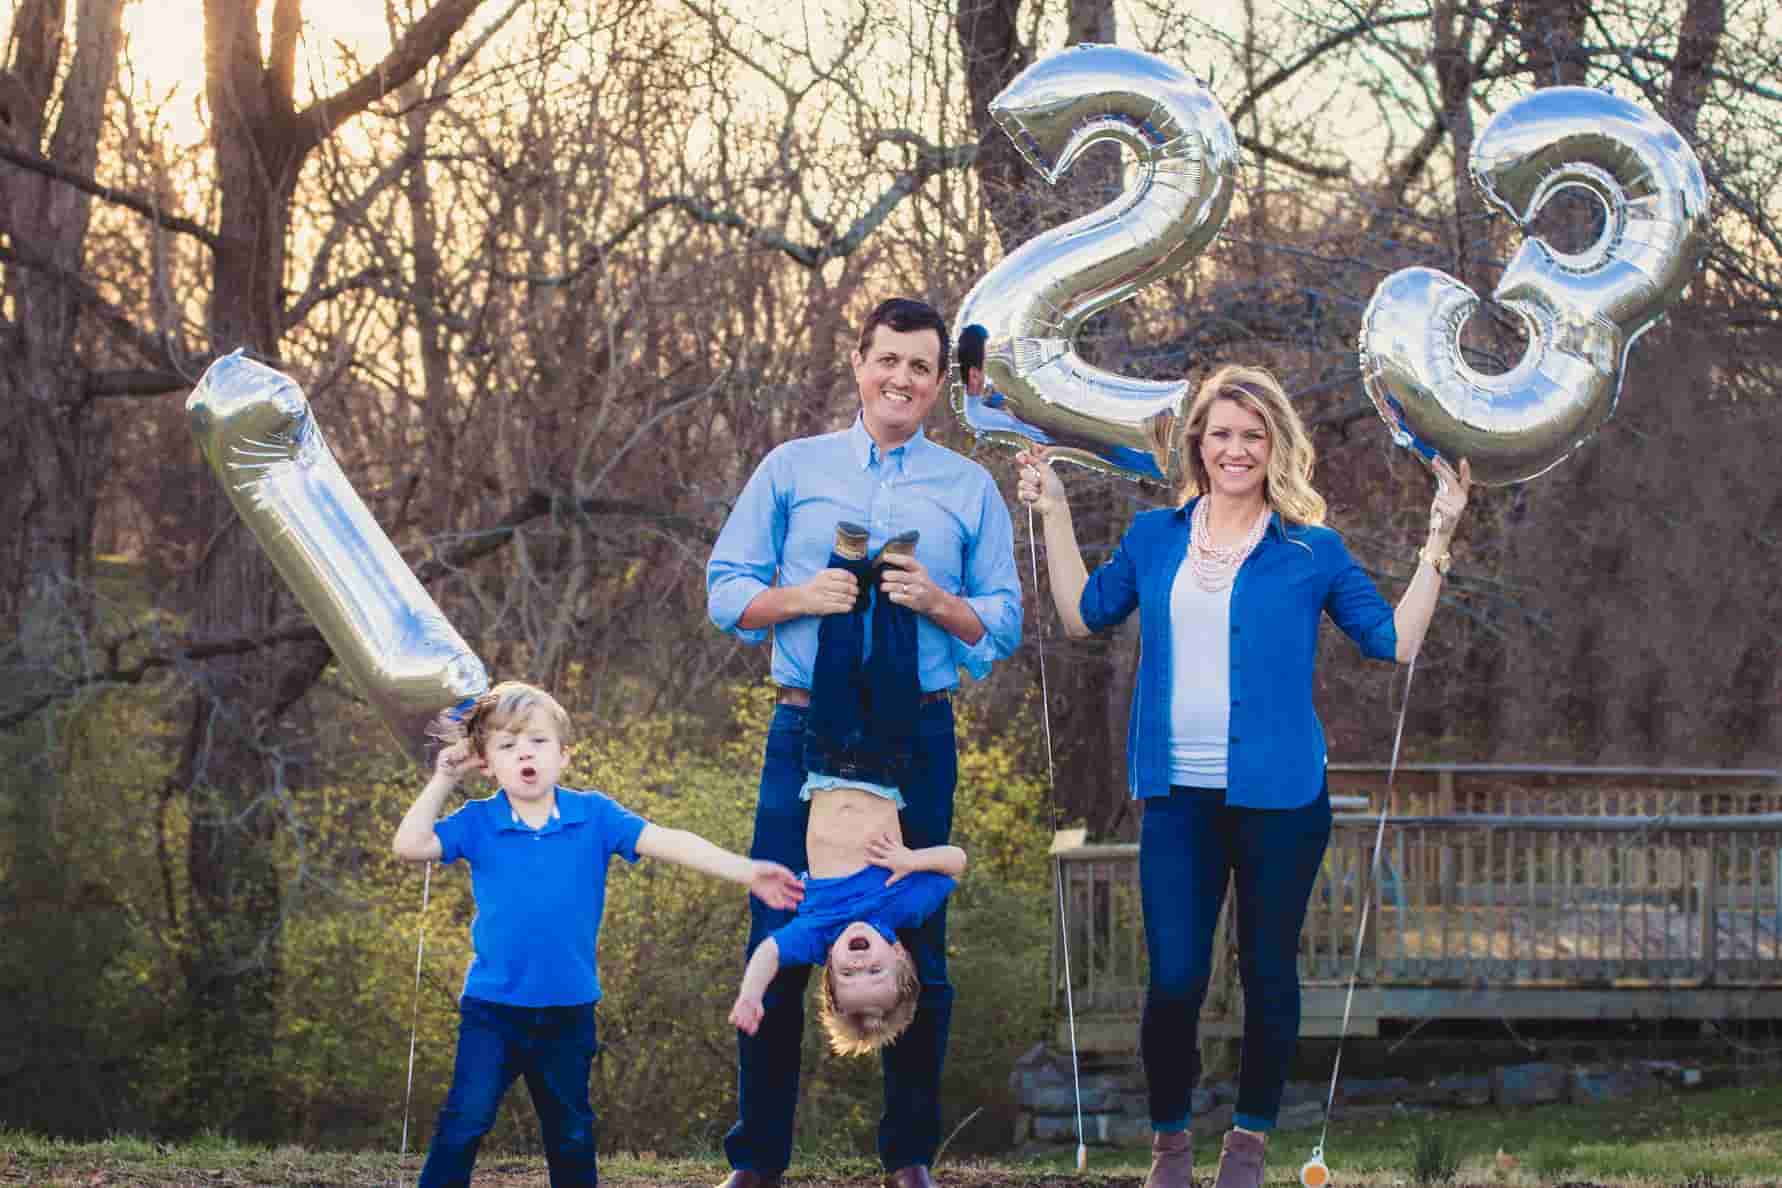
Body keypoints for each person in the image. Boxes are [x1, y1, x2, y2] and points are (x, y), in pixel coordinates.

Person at [1016, 365, 1470, 1188]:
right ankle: (1171, 1149)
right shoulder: (1155, 538)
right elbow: (1083, 613)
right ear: (1198, 442)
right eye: (1222, 433)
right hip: (1176, 798)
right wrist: (1051, 513)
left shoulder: (1310, 551)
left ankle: (1250, 1145)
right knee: (1177, 977)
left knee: (1267, 974)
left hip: (1282, 801)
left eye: (1253, 436)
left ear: (1275, 448)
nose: (1236, 449)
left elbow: (1393, 643)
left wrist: (1438, 539)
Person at [706, 298, 1023, 1188]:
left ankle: (909, 1156)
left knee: (919, 942)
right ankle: (758, 1161)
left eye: (921, 367)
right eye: (888, 360)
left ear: (940, 382)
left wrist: (940, 604)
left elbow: (1002, 625)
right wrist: (802, 598)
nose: (902, 379)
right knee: (779, 919)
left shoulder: (969, 489)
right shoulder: (790, 468)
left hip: (918, 732)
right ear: (858, 362)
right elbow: (726, 591)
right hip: (803, 726)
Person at [392, 680, 805, 1188]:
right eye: (507, 745)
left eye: (537, 741)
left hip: (569, 1013)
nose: (524, 752)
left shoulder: (595, 816)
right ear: (487, 764)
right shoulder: (478, 822)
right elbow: (409, 845)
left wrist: (745, 871)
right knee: (464, 1125)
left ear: (563, 755)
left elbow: (669, 841)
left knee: (570, 1135)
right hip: (492, 1013)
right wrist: (441, 780)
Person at [728, 520, 968, 1057]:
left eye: (849, 975)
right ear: (900, 956)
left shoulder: (813, 930)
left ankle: (848, 559)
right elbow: (957, 862)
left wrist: (750, 993)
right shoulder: (902, 907)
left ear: (829, 975)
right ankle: (894, 569)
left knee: (834, 661)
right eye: (875, 970)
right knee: (894, 665)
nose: (859, 961)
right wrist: (913, 857)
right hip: (888, 766)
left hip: (824, 761)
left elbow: (769, 952)